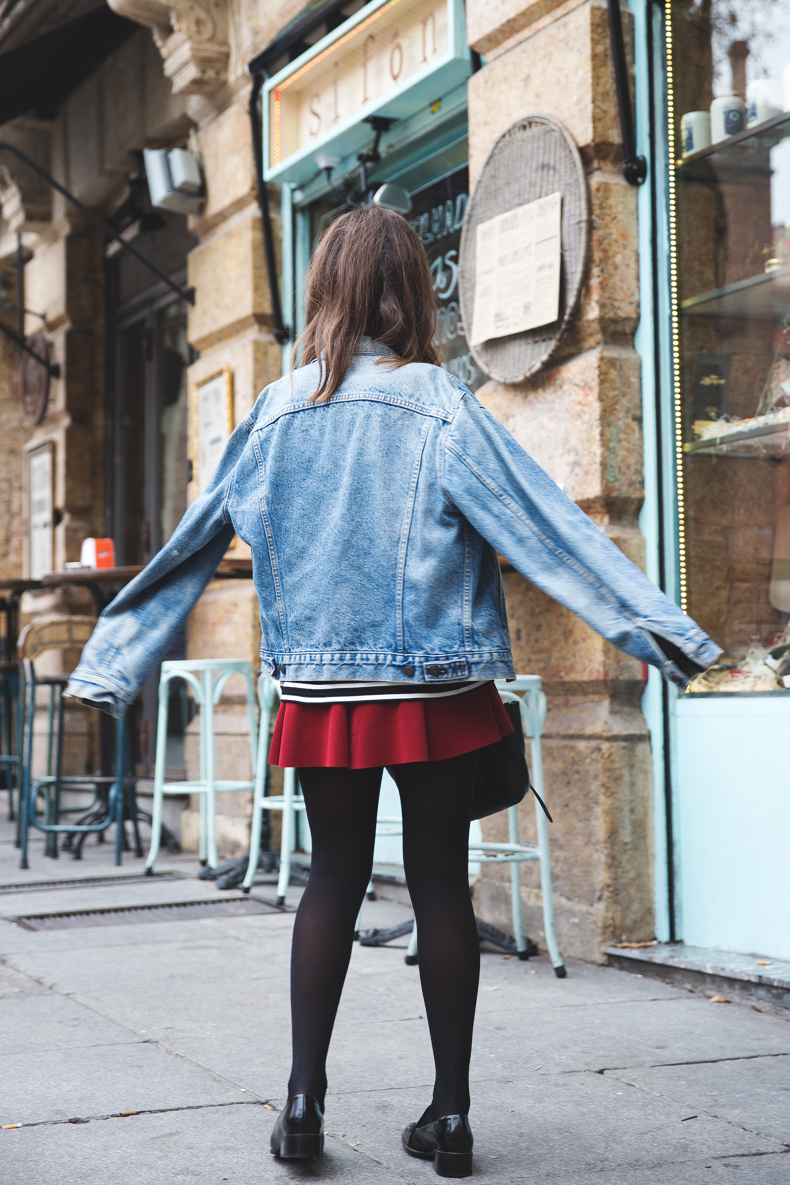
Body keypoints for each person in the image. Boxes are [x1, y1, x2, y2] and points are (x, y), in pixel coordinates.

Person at [67, 206, 720, 1178]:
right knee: (438, 886)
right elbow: (546, 527)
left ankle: (302, 1105)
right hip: (436, 688)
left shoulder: (274, 412)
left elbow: (189, 547)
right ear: (410, 293)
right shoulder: (441, 401)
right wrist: (660, 632)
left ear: (323, 292)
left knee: (330, 878)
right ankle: (450, 1119)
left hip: (321, 695)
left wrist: (110, 662)